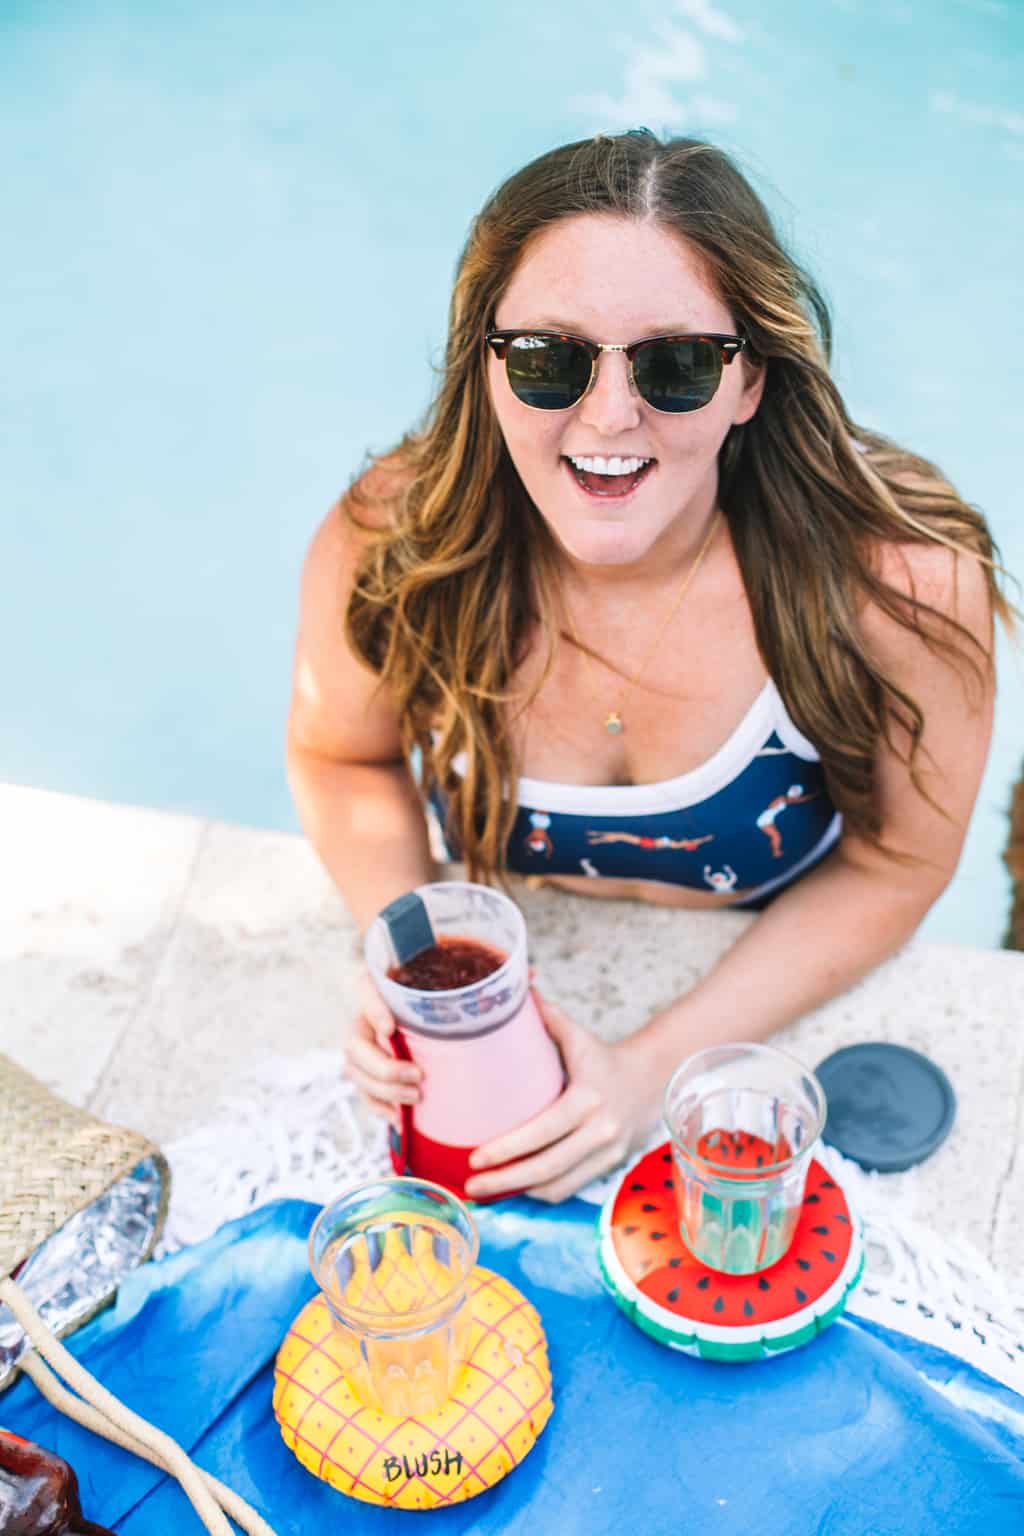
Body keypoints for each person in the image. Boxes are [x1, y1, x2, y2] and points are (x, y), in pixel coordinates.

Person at [286, 131, 1008, 1202]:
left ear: (749, 379)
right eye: (547, 358)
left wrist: (649, 1069)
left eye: (673, 363)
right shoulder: (399, 543)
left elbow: (898, 862)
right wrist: (409, 952)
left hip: (757, 968)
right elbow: (341, 758)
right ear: (483, 366)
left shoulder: (897, 580)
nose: (608, 417)